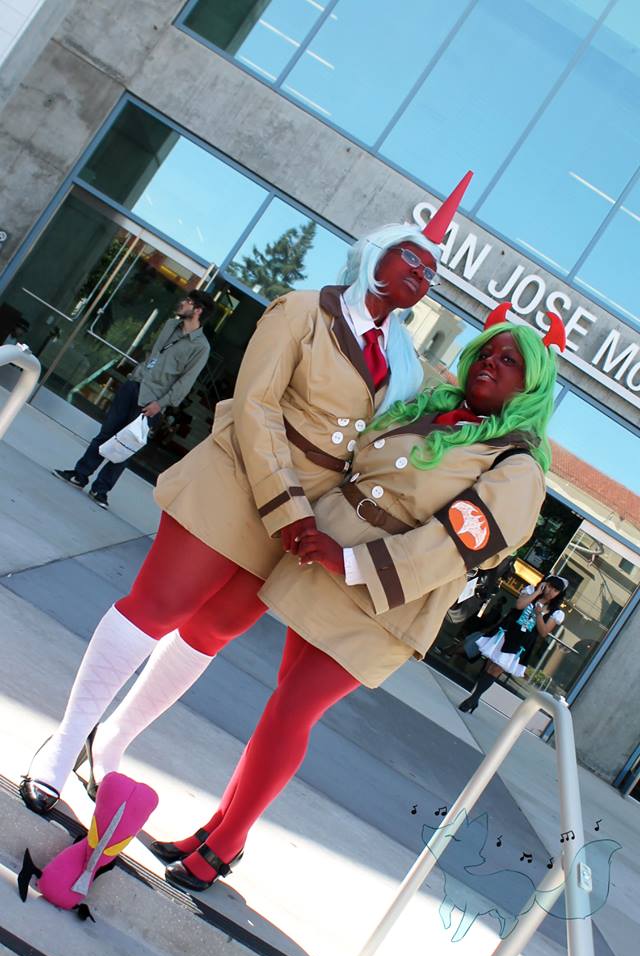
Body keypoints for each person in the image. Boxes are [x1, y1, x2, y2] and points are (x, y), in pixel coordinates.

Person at [19, 172, 473, 822]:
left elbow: (444, 412)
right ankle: (63, 746)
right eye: (413, 260)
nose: (422, 277)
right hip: (239, 482)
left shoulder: (405, 364)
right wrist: (289, 507)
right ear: (378, 254)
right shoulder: (300, 312)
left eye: (431, 274)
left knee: (211, 633)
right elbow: (256, 407)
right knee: (157, 607)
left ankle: (110, 745)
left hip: (301, 524)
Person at [151, 303, 565, 893]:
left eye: (512, 361)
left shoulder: (518, 467)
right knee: (282, 708)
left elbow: (453, 546)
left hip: (384, 599)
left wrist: (350, 561)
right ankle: (218, 830)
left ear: (534, 387)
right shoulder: (433, 410)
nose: (492, 363)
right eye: (489, 351)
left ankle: (224, 844)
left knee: (290, 712)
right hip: (325, 559)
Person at [52, 290, 212, 509]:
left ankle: (101, 490)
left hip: (152, 401)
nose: (182, 303)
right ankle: (80, 475)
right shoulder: (169, 326)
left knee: (126, 446)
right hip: (133, 386)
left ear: (198, 310)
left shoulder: (201, 347)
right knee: (106, 434)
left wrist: (160, 404)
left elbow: (185, 383)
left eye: (188, 302)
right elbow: (154, 355)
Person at [458, 575, 568, 713]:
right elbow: (519, 605)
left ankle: (473, 699)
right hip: (506, 633)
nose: (551, 591)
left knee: (496, 669)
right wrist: (537, 593)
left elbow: (544, 632)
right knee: (489, 665)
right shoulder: (530, 591)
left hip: (520, 642)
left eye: (556, 590)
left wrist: (539, 614)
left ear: (559, 594)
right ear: (545, 584)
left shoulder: (556, 612)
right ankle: (474, 698)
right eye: (550, 586)